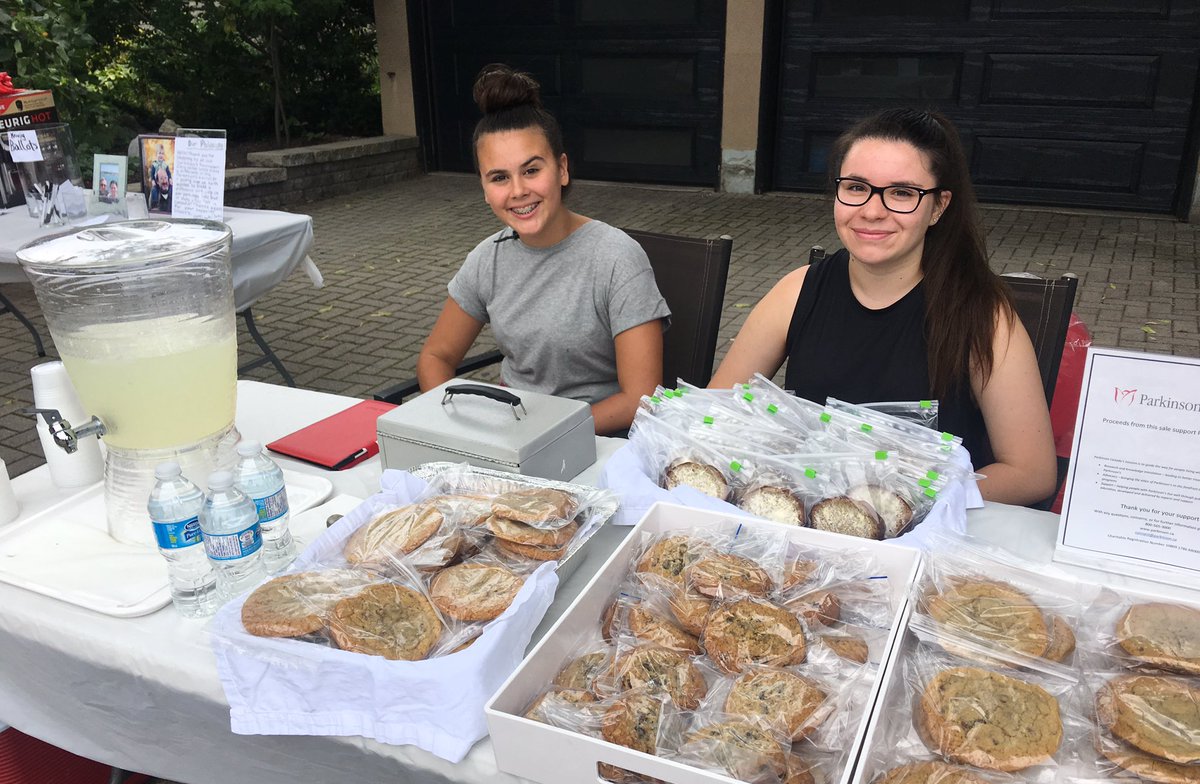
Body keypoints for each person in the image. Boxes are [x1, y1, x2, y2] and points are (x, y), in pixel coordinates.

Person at [709, 108, 1056, 506]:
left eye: (902, 193)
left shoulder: (982, 315)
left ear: (939, 207)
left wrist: (906, 502)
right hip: (804, 526)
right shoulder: (797, 290)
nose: (872, 211)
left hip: (925, 539)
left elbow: (1031, 473)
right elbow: (715, 414)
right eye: (856, 187)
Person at [416, 64, 670, 436]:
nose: (518, 190)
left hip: (596, 444)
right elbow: (435, 356)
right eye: (499, 177)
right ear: (485, 190)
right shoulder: (487, 260)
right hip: (511, 438)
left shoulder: (616, 258)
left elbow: (640, 397)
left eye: (532, 170)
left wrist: (541, 438)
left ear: (562, 169)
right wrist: (462, 427)